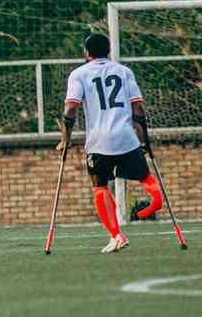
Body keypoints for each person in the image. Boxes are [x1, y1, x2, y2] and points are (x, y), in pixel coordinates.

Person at [57, 33, 161, 253]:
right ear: (109, 50)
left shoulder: (79, 74)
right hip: (126, 138)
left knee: (100, 185)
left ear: (86, 53)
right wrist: (144, 141)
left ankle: (116, 235)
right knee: (144, 176)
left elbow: (71, 108)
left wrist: (65, 139)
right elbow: (138, 109)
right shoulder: (124, 71)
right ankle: (156, 198)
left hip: (99, 142)